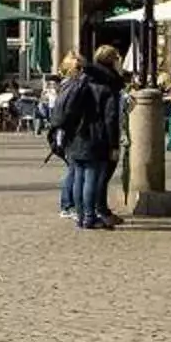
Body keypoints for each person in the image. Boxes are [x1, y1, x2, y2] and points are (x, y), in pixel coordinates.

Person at [51, 45, 125, 229]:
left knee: (78, 178)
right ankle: (91, 217)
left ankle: (81, 216)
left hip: (75, 137)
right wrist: (114, 145)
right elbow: (110, 119)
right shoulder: (105, 90)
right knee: (92, 178)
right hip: (95, 138)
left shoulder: (76, 86)